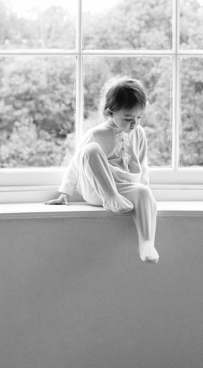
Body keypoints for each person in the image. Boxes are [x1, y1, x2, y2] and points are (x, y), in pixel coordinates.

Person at [46, 76, 159, 264]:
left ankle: (146, 242)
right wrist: (64, 192)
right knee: (90, 150)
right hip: (98, 191)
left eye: (139, 117)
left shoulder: (138, 133)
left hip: (123, 189)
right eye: (128, 118)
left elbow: (143, 164)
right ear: (110, 112)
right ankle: (111, 197)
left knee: (144, 192)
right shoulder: (96, 134)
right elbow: (76, 163)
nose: (135, 123)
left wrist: (143, 193)